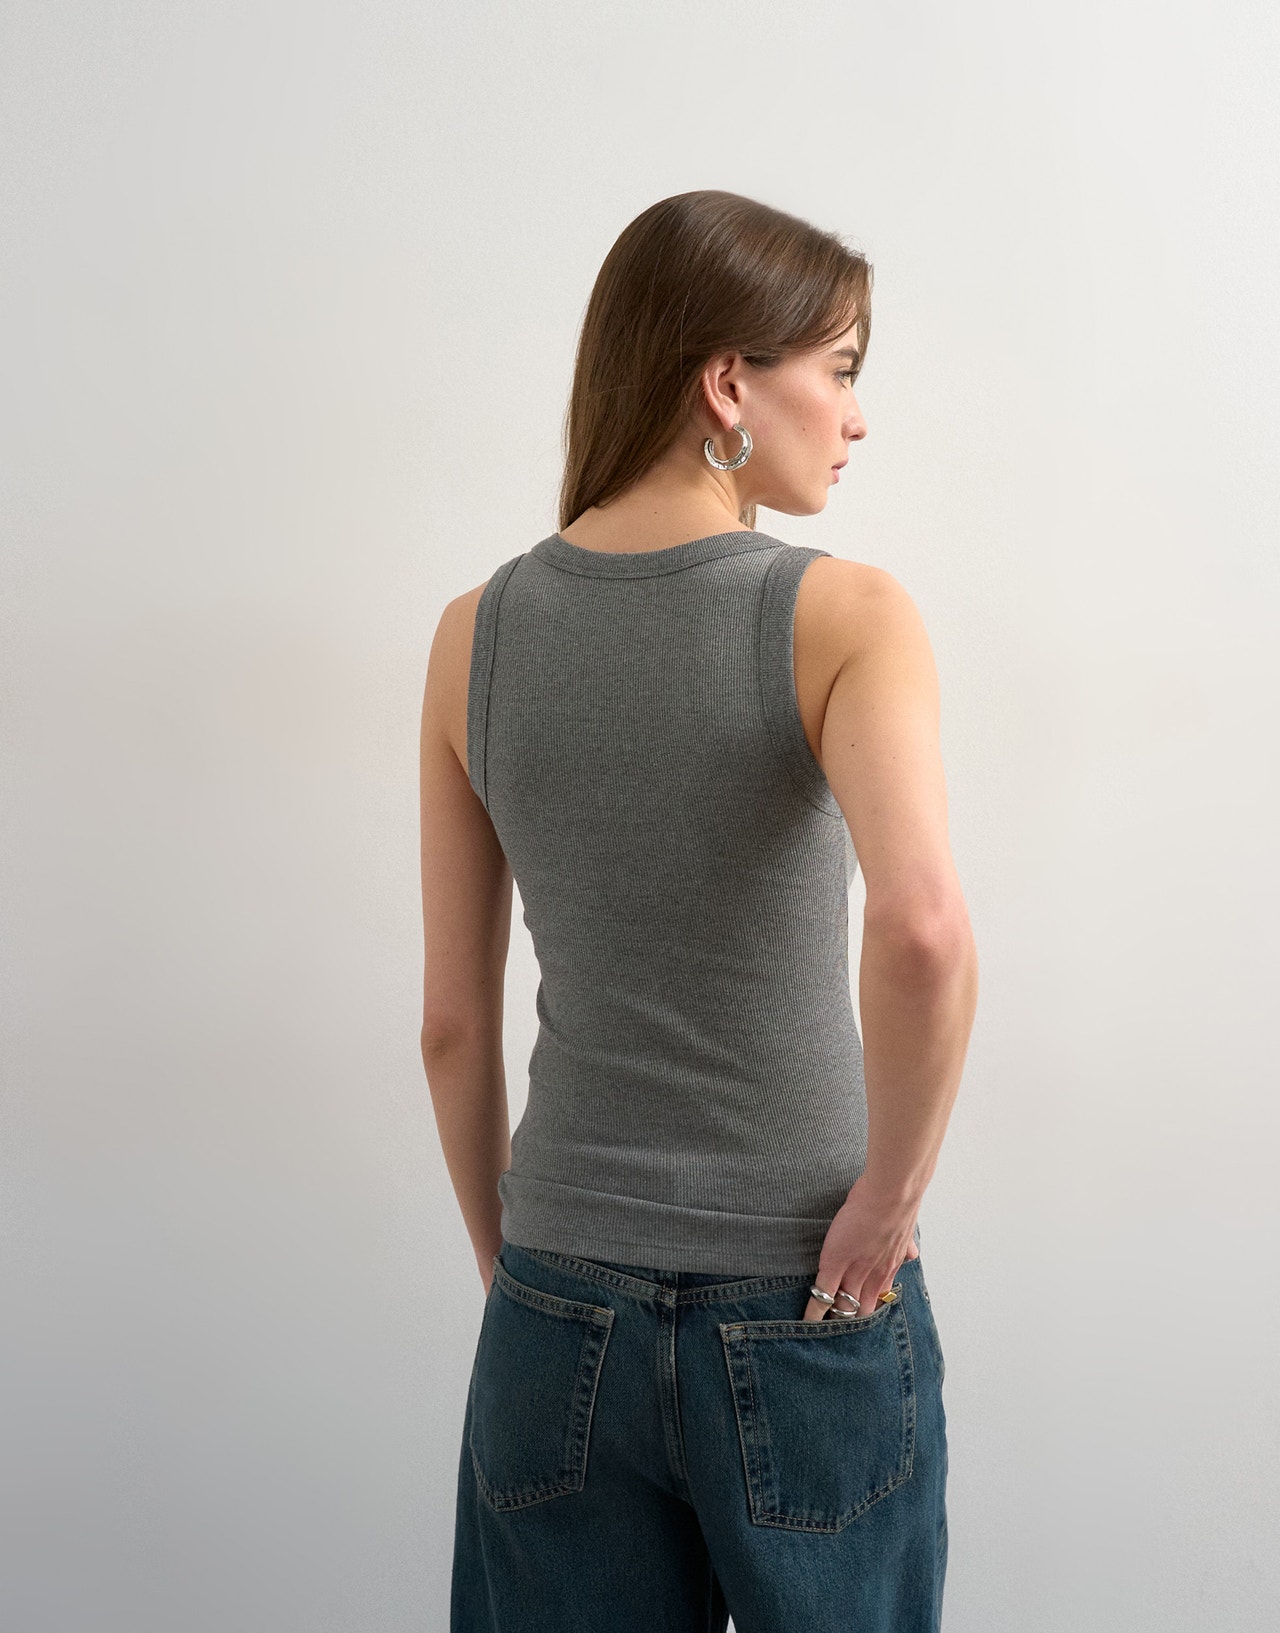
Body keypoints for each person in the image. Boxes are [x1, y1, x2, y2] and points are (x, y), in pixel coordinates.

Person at [418, 189, 979, 1632]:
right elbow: (923, 932)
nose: (856, 418)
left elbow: (452, 1025)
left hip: (557, 1301)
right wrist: (889, 1199)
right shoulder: (844, 615)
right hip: (806, 1298)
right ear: (729, 383)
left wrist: (524, 1274)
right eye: (839, 369)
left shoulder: (474, 634)